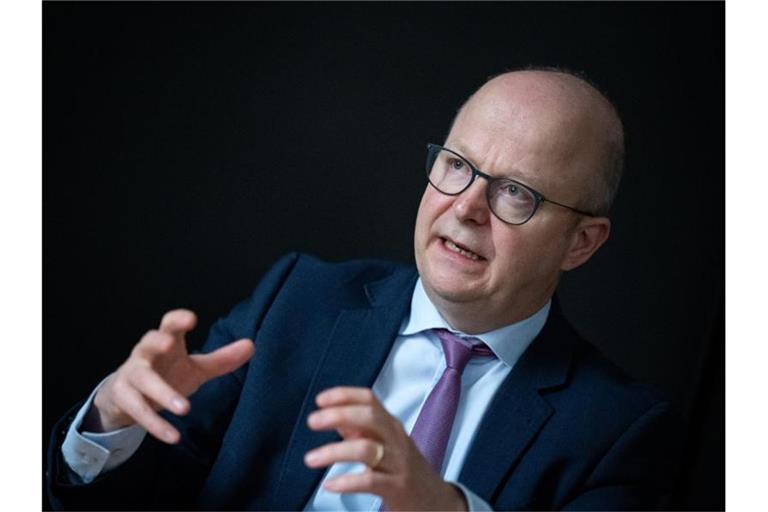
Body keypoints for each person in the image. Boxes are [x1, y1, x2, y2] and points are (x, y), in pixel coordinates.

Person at [46, 69, 676, 510]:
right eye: (457, 166)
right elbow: (151, 495)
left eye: (517, 192)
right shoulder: (297, 301)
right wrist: (112, 425)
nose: (464, 208)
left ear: (582, 242)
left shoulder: (616, 430)